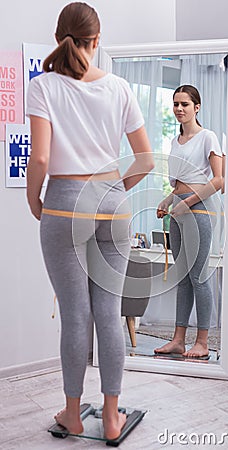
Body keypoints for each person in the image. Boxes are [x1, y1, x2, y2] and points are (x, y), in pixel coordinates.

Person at [26, 2, 154, 440]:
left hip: (63, 204)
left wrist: (33, 198)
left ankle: (73, 413)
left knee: (75, 316)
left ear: (58, 36)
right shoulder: (118, 87)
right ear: (97, 41)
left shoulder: (43, 86)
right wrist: (116, 192)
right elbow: (145, 160)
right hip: (112, 205)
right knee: (109, 313)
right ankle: (114, 417)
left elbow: (41, 156)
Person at [154, 85, 223, 358]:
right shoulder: (174, 142)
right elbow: (180, 184)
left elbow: (218, 180)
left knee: (198, 276)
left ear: (197, 107)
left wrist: (186, 203)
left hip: (198, 210)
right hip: (179, 212)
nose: (179, 109)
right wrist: (168, 201)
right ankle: (178, 340)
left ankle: (203, 343)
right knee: (182, 278)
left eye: (185, 104)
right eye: (175, 104)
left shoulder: (208, 137)